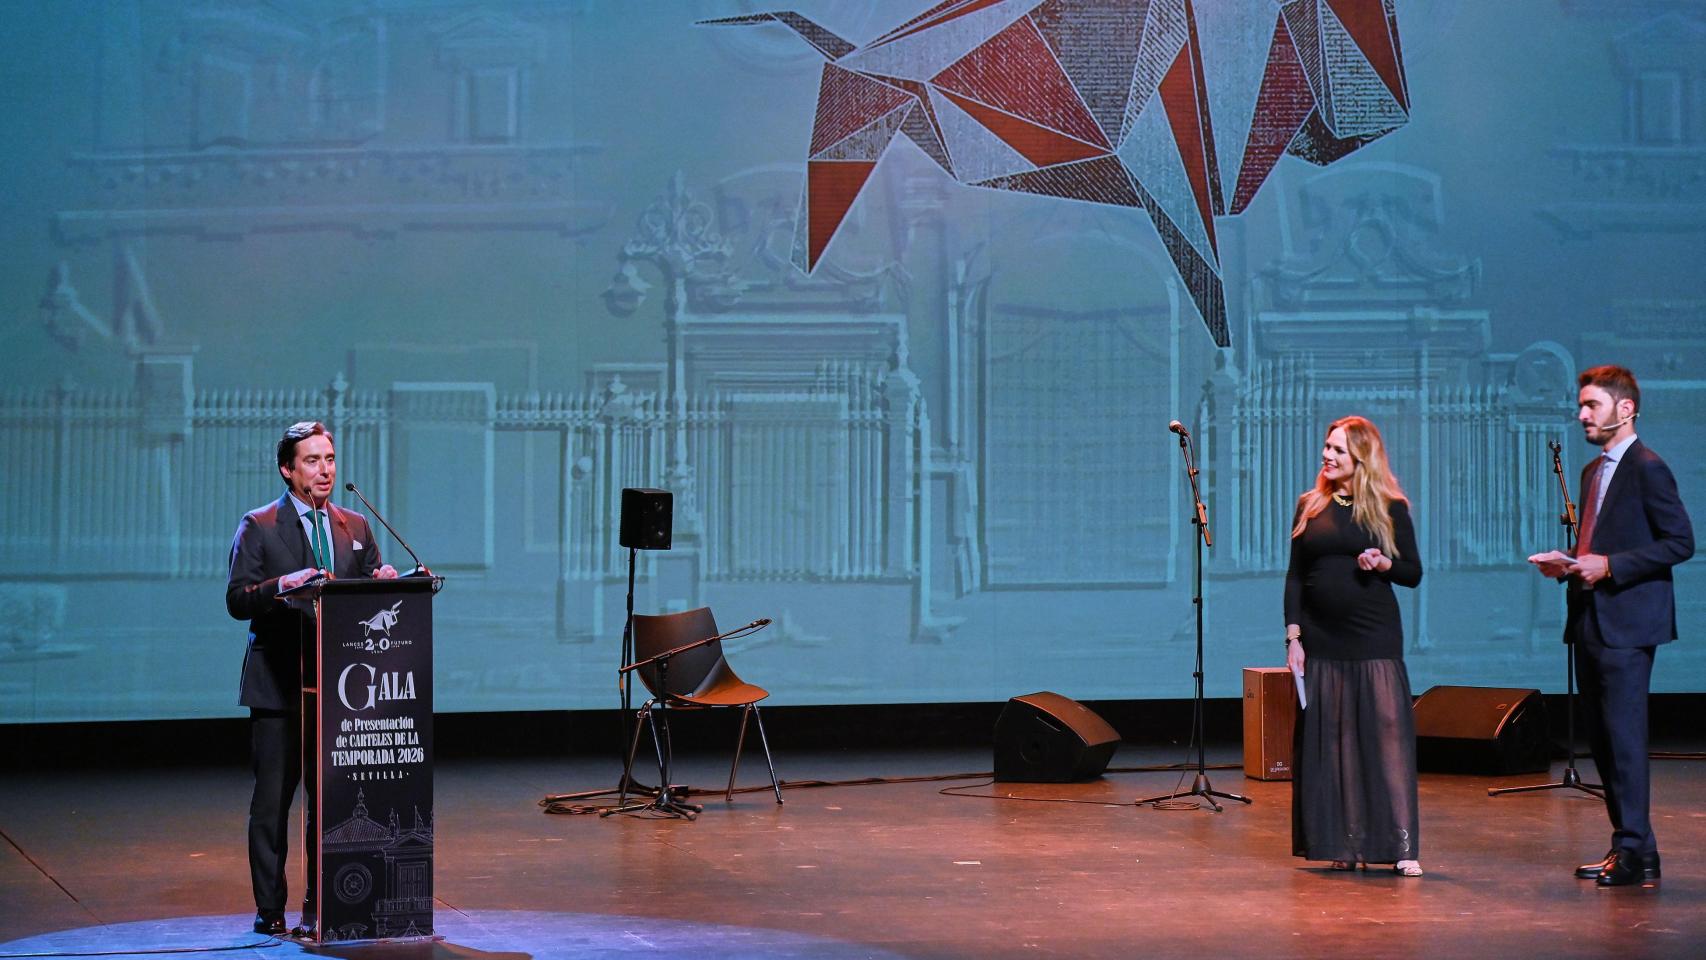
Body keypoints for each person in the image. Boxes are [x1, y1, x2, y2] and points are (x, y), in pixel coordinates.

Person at [226, 421, 397, 935]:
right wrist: (284, 584)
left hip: (342, 692)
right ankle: (270, 908)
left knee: (337, 803)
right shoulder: (258, 525)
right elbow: (237, 600)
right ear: (288, 469)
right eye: (312, 461)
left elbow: (367, 598)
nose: (325, 470)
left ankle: (327, 901)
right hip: (279, 685)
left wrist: (384, 584)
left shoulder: (355, 526)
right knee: (274, 803)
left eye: (330, 459)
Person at [1529, 365, 1693, 887]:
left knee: (1624, 740)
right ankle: (1634, 850)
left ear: (1625, 409)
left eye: (1591, 406)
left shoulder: (1648, 467)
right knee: (1601, 742)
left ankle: (1633, 850)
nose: (1581, 415)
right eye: (1580, 406)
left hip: (1628, 622)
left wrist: (1611, 566)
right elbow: (1598, 541)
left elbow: (1680, 542)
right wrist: (1571, 562)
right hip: (1591, 619)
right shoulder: (1591, 472)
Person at [1284, 415, 1424, 877]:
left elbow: (1412, 573)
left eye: (1338, 450)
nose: (1327, 455)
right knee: (1334, 741)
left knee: (1385, 737)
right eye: (1327, 447)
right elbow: (1296, 577)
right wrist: (1294, 637)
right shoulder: (1310, 505)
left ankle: (1401, 846)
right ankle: (1342, 842)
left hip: (1374, 636)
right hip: (1322, 640)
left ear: (1360, 458)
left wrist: (1384, 562)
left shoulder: (1389, 506)